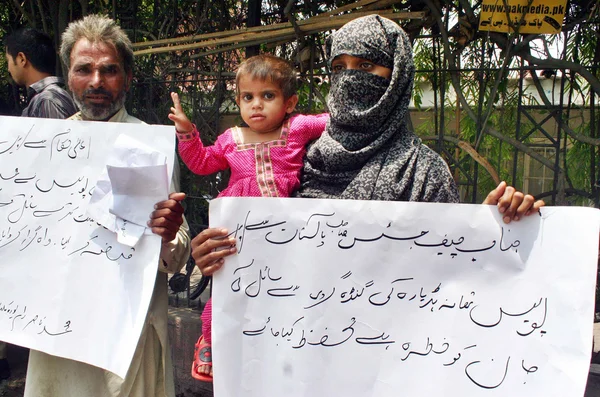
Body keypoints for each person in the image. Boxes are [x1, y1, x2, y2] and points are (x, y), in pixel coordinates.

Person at [188, 13, 545, 331]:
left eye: (365, 66)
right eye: (339, 68)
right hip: (292, 354)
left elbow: (452, 283)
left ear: (397, 76)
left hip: (384, 361)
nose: (348, 79)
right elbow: (264, 261)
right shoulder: (299, 159)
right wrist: (215, 255)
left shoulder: (422, 172)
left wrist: (498, 229)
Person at [23, 14, 191, 397]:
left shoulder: (153, 146)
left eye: (109, 70)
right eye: (84, 69)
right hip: (58, 330)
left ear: (128, 78)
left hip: (128, 333)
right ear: (69, 76)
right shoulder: (41, 147)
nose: (96, 82)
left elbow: (176, 257)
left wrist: (166, 235)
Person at [168, 54, 328, 381]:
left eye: (268, 96)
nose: (257, 105)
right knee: (229, 290)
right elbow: (200, 162)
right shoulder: (231, 139)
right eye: (247, 97)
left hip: (286, 233)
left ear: (289, 102)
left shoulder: (297, 127)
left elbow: (335, 119)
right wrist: (186, 132)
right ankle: (211, 344)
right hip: (237, 235)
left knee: (283, 292)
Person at [1, 27, 78, 382]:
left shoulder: (48, 100)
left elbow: (57, 169)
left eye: (7, 58)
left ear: (21, 58)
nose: (8, 67)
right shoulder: (56, 96)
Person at [4, 27, 76, 119]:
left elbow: (55, 134)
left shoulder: (47, 100)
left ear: (22, 59)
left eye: (8, 61)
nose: (9, 69)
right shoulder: (48, 97)